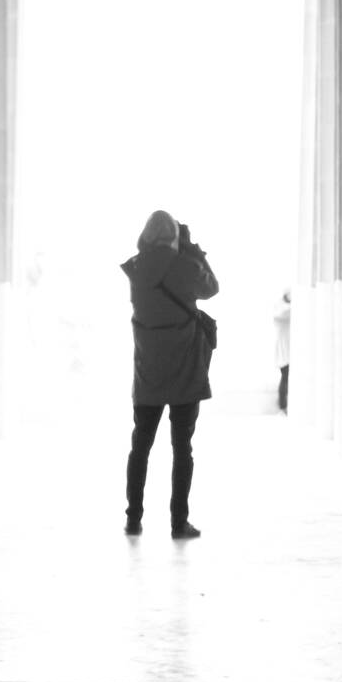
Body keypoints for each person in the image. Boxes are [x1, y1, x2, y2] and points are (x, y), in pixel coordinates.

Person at [119, 211, 219, 539]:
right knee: (182, 448)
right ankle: (179, 522)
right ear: (174, 235)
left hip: (148, 369)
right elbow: (212, 288)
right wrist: (190, 249)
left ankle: (133, 519)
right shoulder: (185, 266)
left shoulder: (136, 269)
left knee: (140, 446)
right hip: (185, 370)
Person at [274, 289, 291, 414]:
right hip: (284, 352)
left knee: (286, 378)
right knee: (285, 378)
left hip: (287, 351)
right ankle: (282, 406)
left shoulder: (284, 309)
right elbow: (283, 313)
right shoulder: (280, 310)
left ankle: (283, 405)